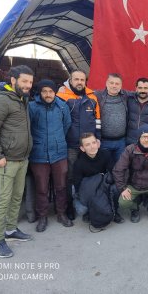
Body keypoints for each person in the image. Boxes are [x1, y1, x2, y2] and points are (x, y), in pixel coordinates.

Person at [0, 65, 34, 258]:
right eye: (24, 81)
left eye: (30, 82)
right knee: (2, 200)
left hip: (21, 158)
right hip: (5, 161)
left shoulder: (22, 98)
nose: (28, 85)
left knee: (16, 196)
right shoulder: (3, 100)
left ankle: (11, 230)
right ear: (13, 80)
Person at [28, 79, 73, 232]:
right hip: (39, 155)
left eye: (51, 91)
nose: (48, 94)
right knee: (42, 188)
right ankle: (42, 217)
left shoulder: (62, 106)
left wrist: (57, 140)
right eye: (44, 91)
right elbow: (28, 128)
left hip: (59, 153)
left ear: (55, 92)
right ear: (40, 93)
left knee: (61, 186)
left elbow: (67, 124)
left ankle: (61, 213)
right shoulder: (32, 107)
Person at [56, 70, 101, 220]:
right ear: (70, 80)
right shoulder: (61, 96)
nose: (79, 82)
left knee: (90, 174)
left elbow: (98, 121)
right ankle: (70, 206)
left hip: (89, 146)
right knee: (70, 177)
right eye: (76, 79)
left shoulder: (92, 97)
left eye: (82, 79)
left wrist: (98, 138)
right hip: (71, 145)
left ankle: (89, 203)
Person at [72, 133, 124, 224]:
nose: (92, 146)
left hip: (102, 185)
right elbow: (78, 186)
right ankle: (89, 212)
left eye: (93, 142)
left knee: (116, 188)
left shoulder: (105, 154)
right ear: (82, 148)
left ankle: (114, 211)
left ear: (98, 143)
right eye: (87, 145)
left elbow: (113, 172)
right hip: (88, 190)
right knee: (82, 210)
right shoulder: (79, 164)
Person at [94, 73, 130, 163]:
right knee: (105, 167)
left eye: (117, 84)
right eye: (111, 83)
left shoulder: (125, 95)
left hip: (121, 141)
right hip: (104, 141)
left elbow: (140, 93)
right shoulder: (98, 95)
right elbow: (82, 92)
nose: (114, 86)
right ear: (106, 83)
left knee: (120, 167)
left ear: (121, 85)